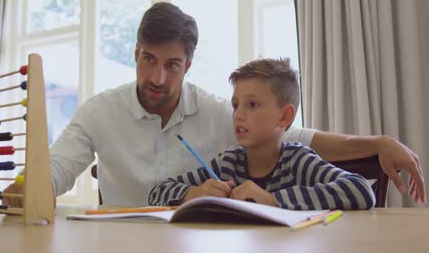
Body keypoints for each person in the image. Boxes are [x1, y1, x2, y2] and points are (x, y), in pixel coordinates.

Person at [3, 2, 424, 207]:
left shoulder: (223, 113)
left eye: (172, 65)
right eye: (149, 60)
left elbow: (298, 136)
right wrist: (28, 187)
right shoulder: (98, 111)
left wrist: (378, 142)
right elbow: (56, 168)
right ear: (135, 53)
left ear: (189, 64)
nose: (157, 78)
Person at [148, 58, 376, 209]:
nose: (238, 115)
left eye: (253, 105)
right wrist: (193, 194)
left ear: (285, 117)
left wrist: (273, 200)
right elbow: (157, 192)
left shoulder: (297, 161)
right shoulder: (228, 163)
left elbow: (361, 190)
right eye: (236, 105)